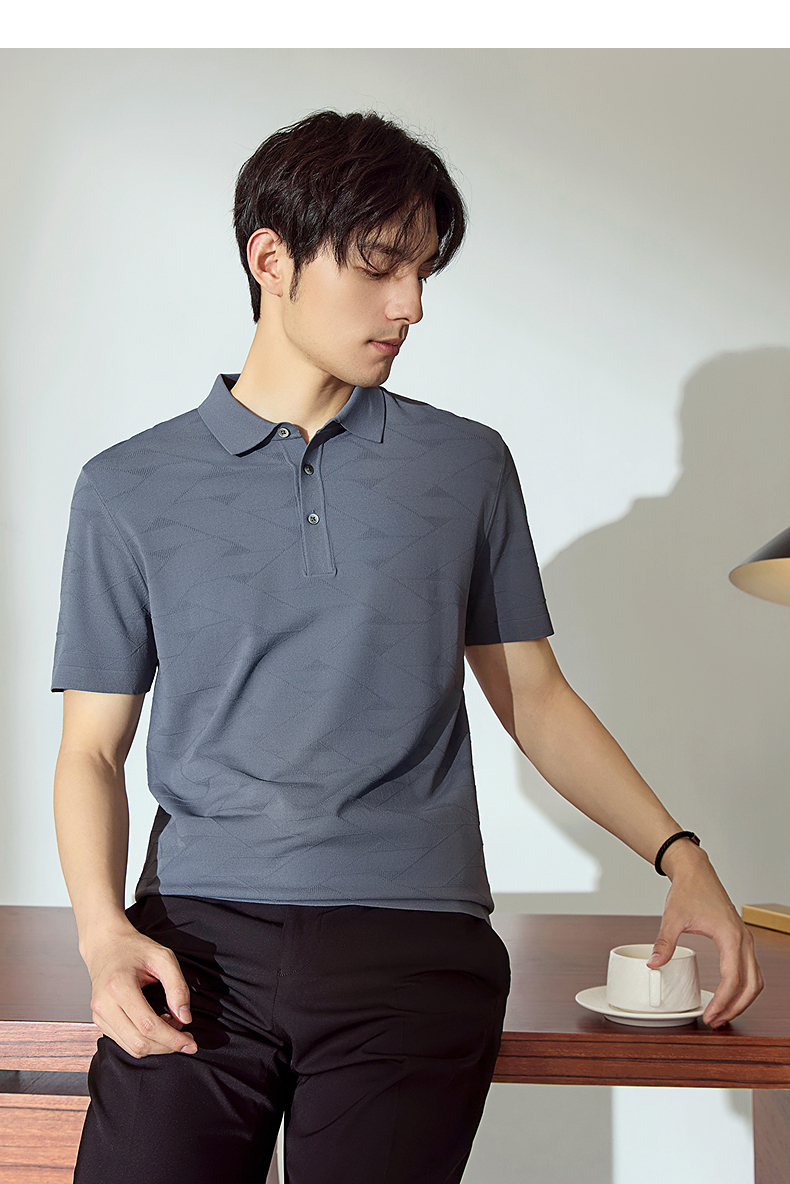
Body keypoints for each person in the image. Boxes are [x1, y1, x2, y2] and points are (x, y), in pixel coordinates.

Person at [51, 109, 763, 1184]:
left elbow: (535, 696)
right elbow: (91, 750)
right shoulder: (126, 486)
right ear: (271, 260)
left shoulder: (463, 465)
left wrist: (683, 855)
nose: (411, 305)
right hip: (195, 944)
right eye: (381, 266)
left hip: (412, 943)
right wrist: (104, 934)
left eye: (423, 271)